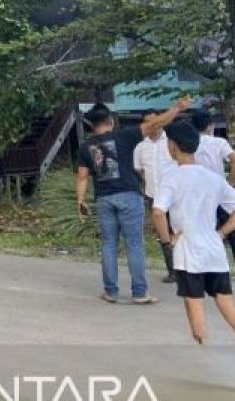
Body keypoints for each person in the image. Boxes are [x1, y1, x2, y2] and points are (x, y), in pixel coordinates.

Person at [76, 97, 191, 304]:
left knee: (109, 244)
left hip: (103, 199)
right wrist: (177, 108)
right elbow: (155, 124)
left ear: (92, 125)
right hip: (129, 196)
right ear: (110, 120)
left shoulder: (86, 146)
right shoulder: (124, 135)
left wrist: (81, 201)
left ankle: (111, 291)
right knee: (134, 244)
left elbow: (82, 176)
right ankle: (139, 292)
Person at [152, 121, 235, 344]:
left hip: (188, 251)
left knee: (194, 304)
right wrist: (222, 233)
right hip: (214, 249)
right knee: (226, 302)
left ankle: (206, 350)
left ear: (173, 146)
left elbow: (158, 212)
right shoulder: (213, 178)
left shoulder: (171, 178)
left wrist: (167, 240)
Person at [189, 108, 235, 282]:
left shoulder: (190, 144)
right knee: (233, 230)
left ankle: (204, 270)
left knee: (202, 231)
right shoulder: (219, 143)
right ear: (209, 126)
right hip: (220, 192)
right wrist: (230, 182)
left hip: (198, 194)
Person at [132, 111, 177, 283]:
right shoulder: (140, 147)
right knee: (163, 233)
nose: (153, 125)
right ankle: (172, 270)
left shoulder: (172, 143)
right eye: (148, 123)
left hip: (175, 196)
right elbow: (140, 171)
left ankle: (187, 269)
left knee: (180, 231)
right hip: (154, 196)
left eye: (156, 121)